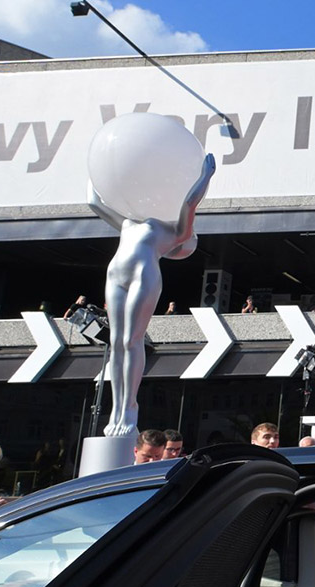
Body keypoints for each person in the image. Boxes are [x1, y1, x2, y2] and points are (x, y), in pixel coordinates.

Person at [89, 154, 215, 437]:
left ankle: (129, 410)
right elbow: (94, 202)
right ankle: (116, 409)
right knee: (115, 341)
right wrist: (97, 168)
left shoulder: (173, 233)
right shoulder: (130, 220)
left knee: (131, 340)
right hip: (115, 275)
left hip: (142, 277)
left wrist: (205, 178)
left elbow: (190, 203)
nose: (191, 237)